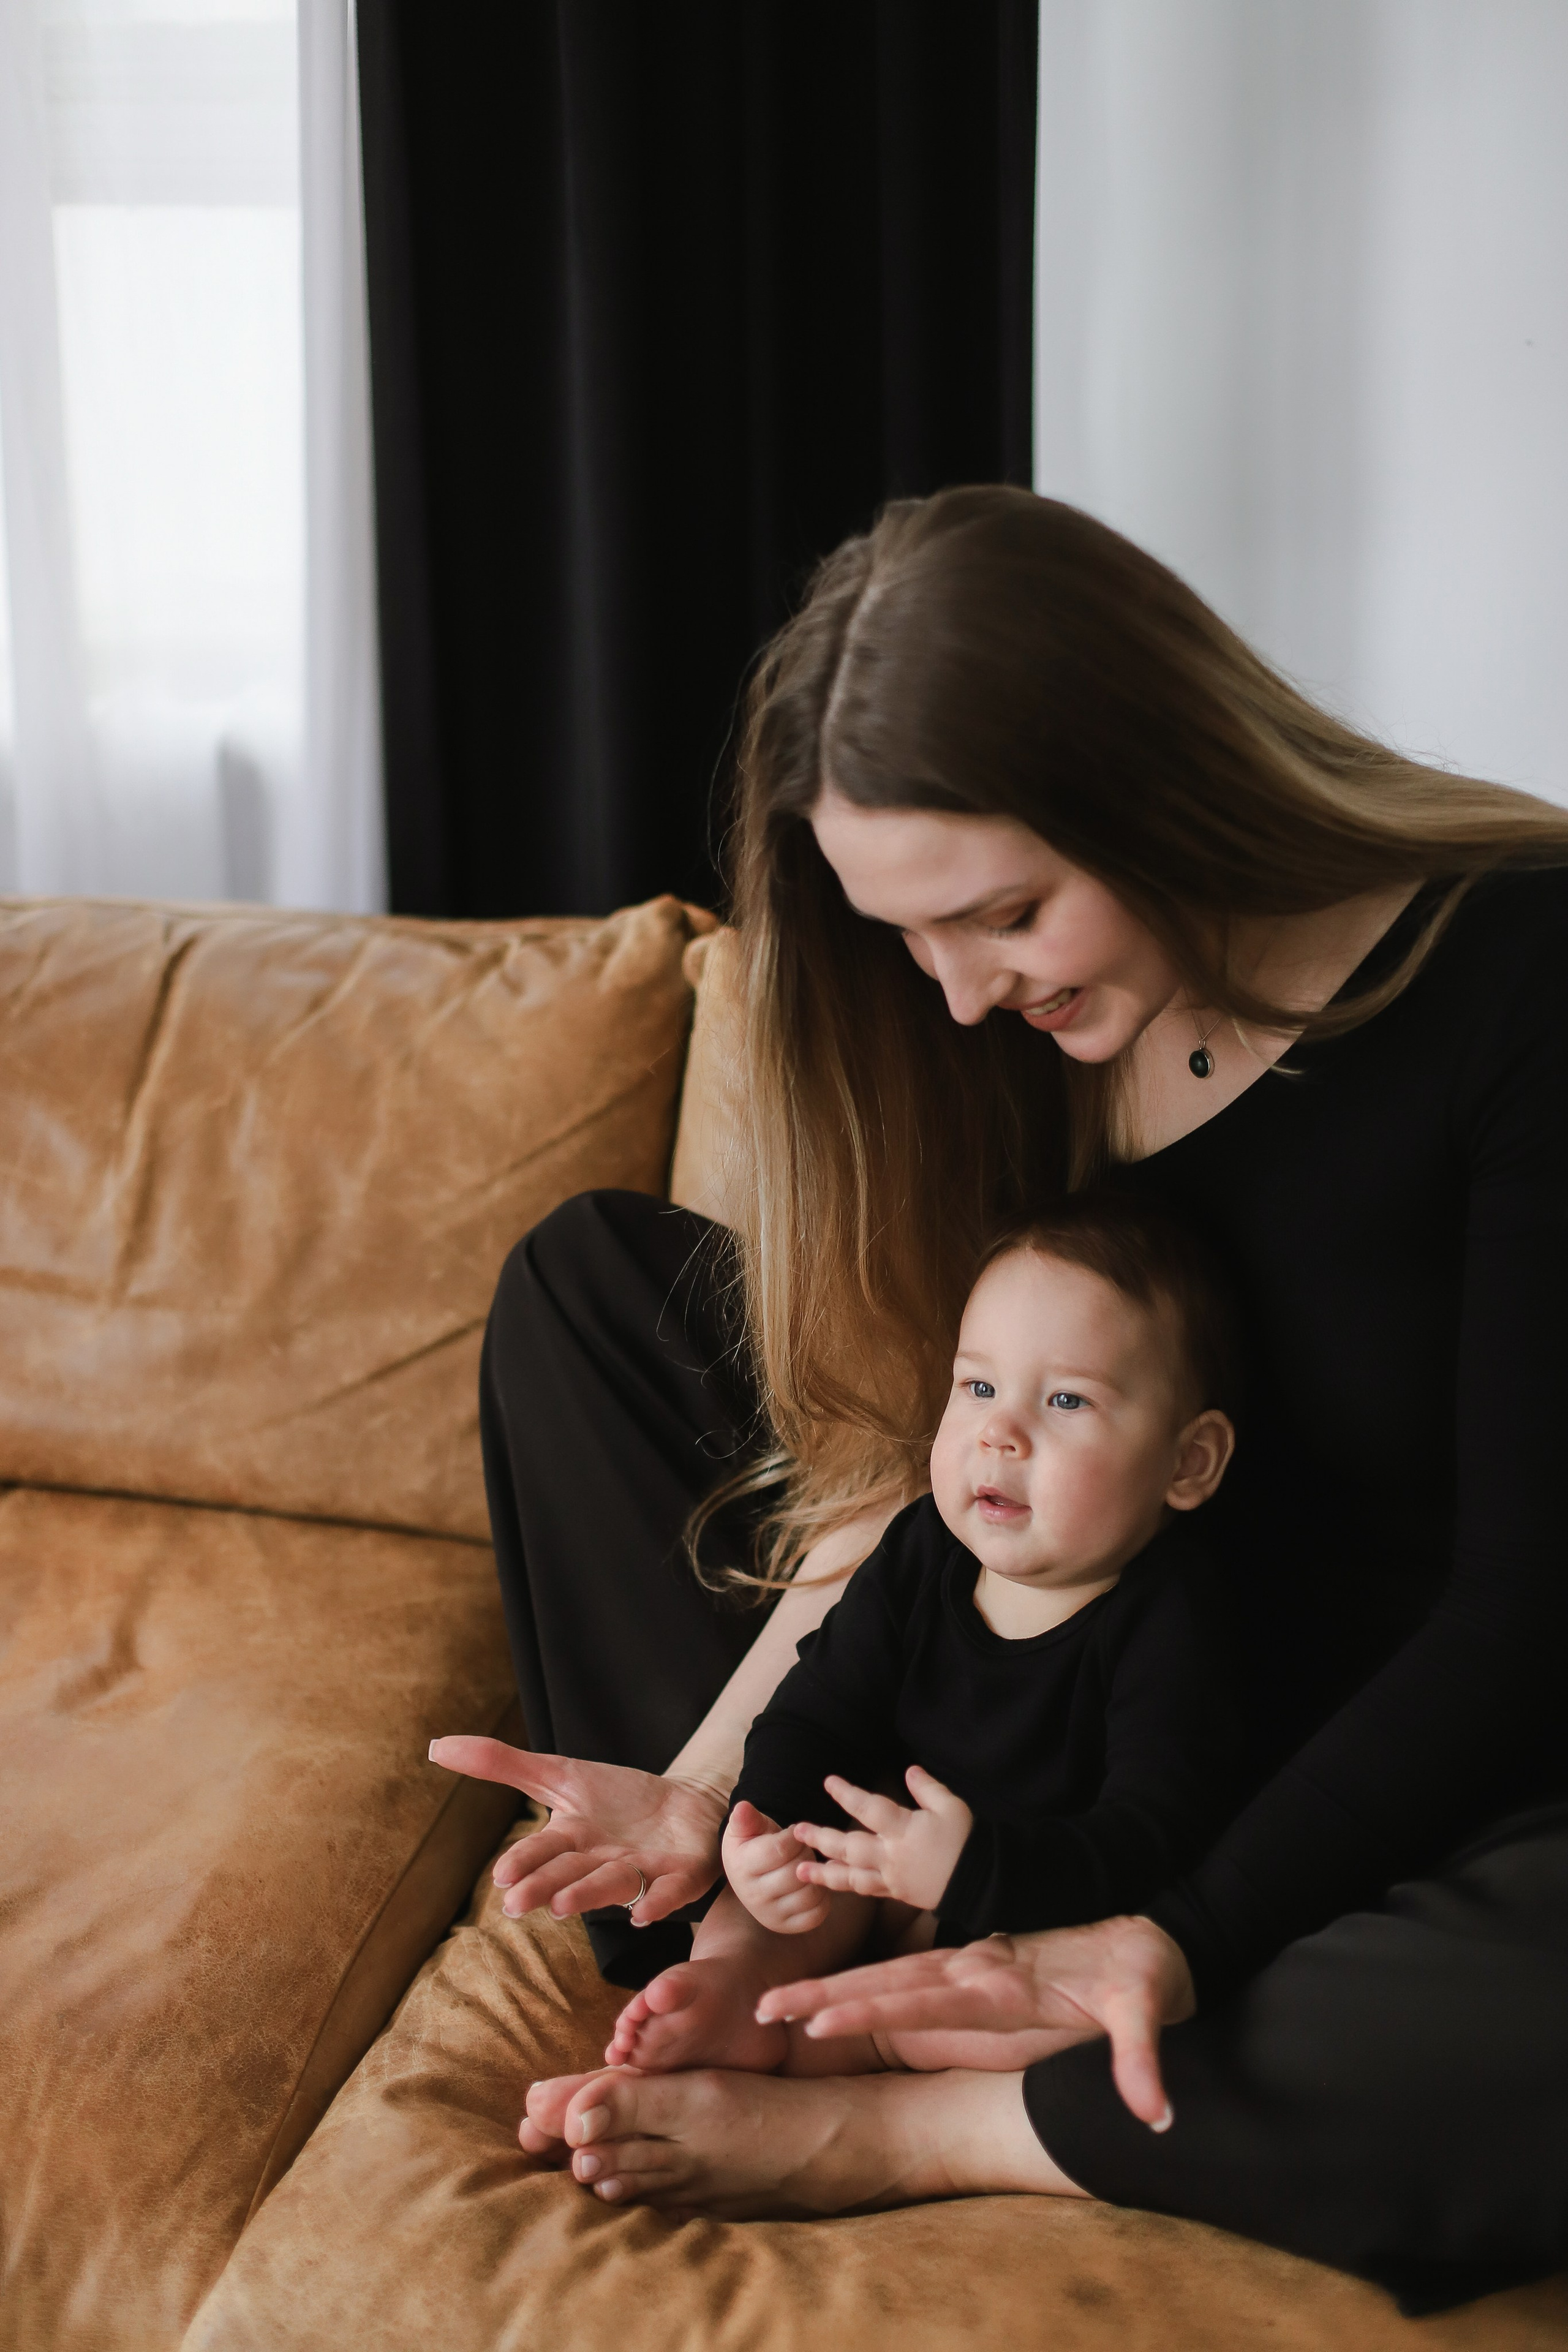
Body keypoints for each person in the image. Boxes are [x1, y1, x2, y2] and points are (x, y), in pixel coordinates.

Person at [439, 488, 1568, 2315]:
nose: (959, 997)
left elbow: (1525, 1616)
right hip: (1003, 1672)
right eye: (914, 936)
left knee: (1519, 2016)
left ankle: (906, 2116)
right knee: (590, 1291)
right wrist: (728, 1819)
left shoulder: (1522, 969)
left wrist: (1179, 1938)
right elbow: (917, 1457)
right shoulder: (992, 1047)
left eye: (1007, 914)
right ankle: (816, 1945)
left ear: (1162, 784)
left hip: (1345, 1770)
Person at [594, 1200, 1240, 2079]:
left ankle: (838, 2046)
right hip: (874, 1866)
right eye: (977, 1386)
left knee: (1038, 2009)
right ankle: (733, 1986)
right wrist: (768, 1830)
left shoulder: (1175, 1624)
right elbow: (813, 1712)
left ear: (1188, 1463)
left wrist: (969, 1874)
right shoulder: (923, 1550)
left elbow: (1146, 1844)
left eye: (1066, 1400)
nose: (999, 1432)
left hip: (1026, 1912)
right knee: (779, 1896)